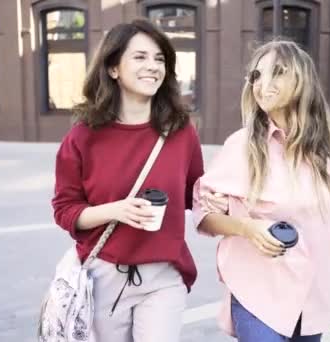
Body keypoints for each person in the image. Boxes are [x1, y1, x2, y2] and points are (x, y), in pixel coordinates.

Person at [192, 40, 330, 342]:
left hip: (311, 298)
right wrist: (247, 227)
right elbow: (204, 214)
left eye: (277, 72)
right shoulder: (240, 146)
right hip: (256, 292)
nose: (262, 84)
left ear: (302, 80)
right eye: (256, 75)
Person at [51, 19, 208, 342]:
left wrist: (218, 198)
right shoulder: (83, 136)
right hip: (104, 277)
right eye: (140, 57)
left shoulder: (180, 130)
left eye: (159, 59)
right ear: (113, 69)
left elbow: (196, 191)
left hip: (164, 275)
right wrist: (116, 210)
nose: (153, 66)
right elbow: (65, 210)